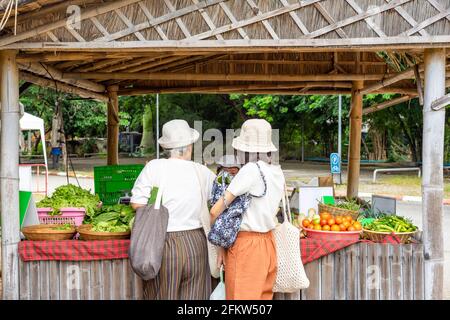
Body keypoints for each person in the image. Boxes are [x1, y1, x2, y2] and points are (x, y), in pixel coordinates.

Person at [130, 119, 216, 300]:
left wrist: (158, 201)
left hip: (164, 243)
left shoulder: (154, 167)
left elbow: (137, 204)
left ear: (166, 148)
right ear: (190, 146)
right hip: (197, 243)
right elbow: (217, 203)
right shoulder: (202, 172)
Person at [210, 119, 285, 300]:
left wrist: (219, 244)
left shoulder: (251, 170)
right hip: (268, 244)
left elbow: (215, 211)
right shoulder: (277, 171)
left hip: (246, 247)